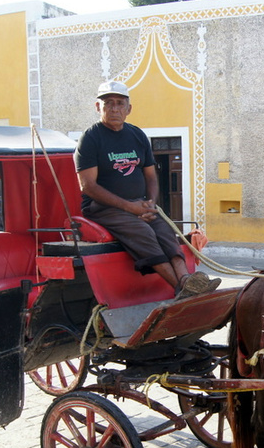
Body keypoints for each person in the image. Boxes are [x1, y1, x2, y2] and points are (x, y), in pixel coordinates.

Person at [75, 81, 219, 299]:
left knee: (166, 232)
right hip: (103, 208)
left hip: (138, 203)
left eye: (120, 104)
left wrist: (151, 203)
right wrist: (129, 207)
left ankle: (187, 281)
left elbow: (151, 176)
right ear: (98, 107)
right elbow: (88, 186)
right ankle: (181, 289)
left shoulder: (137, 135)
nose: (114, 109)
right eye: (108, 104)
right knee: (144, 233)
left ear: (128, 108)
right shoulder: (91, 138)